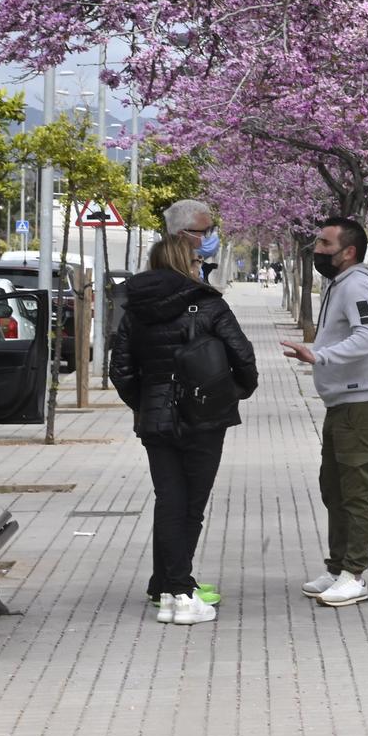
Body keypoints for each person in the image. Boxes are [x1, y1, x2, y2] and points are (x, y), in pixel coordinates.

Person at [110, 232, 258, 625]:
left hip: (156, 420)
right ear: (184, 264)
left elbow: (120, 370)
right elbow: (243, 356)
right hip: (205, 417)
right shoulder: (209, 305)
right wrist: (233, 393)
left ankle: (169, 587)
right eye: (195, 262)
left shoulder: (135, 309)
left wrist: (145, 404)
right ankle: (179, 592)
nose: (199, 267)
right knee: (190, 506)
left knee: (169, 501)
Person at [280, 218, 368, 609]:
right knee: (334, 489)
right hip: (345, 404)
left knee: (354, 493)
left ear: (348, 251)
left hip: (359, 408)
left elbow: (367, 336)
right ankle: (337, 568)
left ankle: (354, 575)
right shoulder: (340, 284)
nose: (318, 249)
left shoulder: (358, 285)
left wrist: (319, 355)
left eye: (325, 243)